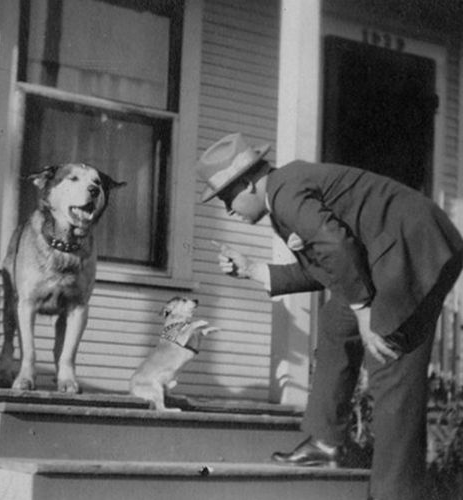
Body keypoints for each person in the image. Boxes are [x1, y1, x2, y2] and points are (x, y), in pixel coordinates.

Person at [196, 132, 463, 500]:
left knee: (390, 366)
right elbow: (334, 264)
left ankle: (394, 495)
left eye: (227, 197)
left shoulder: (287, 194)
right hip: (388, 257)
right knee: (338, 322)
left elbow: (337, 247)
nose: (228, 209)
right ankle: (325, 443)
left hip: (414, 252)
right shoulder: (285, 196)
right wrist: (255, 269)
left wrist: (366, 313)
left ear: (247, 182)